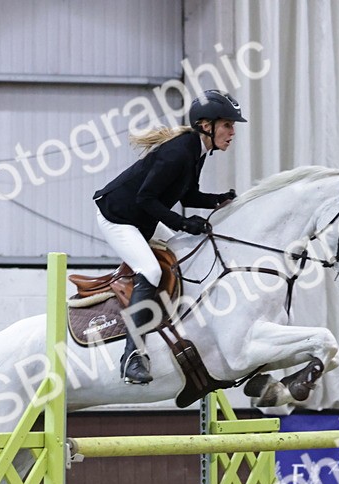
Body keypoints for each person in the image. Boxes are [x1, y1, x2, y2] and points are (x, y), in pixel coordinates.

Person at [93, 89, 246, 384]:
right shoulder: (178, 152)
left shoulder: (197, 151)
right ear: (207, 125)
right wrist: (183, 223)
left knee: (186, 252)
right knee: (150, 270)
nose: (232, 132)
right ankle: (132, 357)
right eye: (228, 125)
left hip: (143, 219)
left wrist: (220, 200)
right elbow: (145, 197)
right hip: (118, 218)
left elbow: (187, 195)